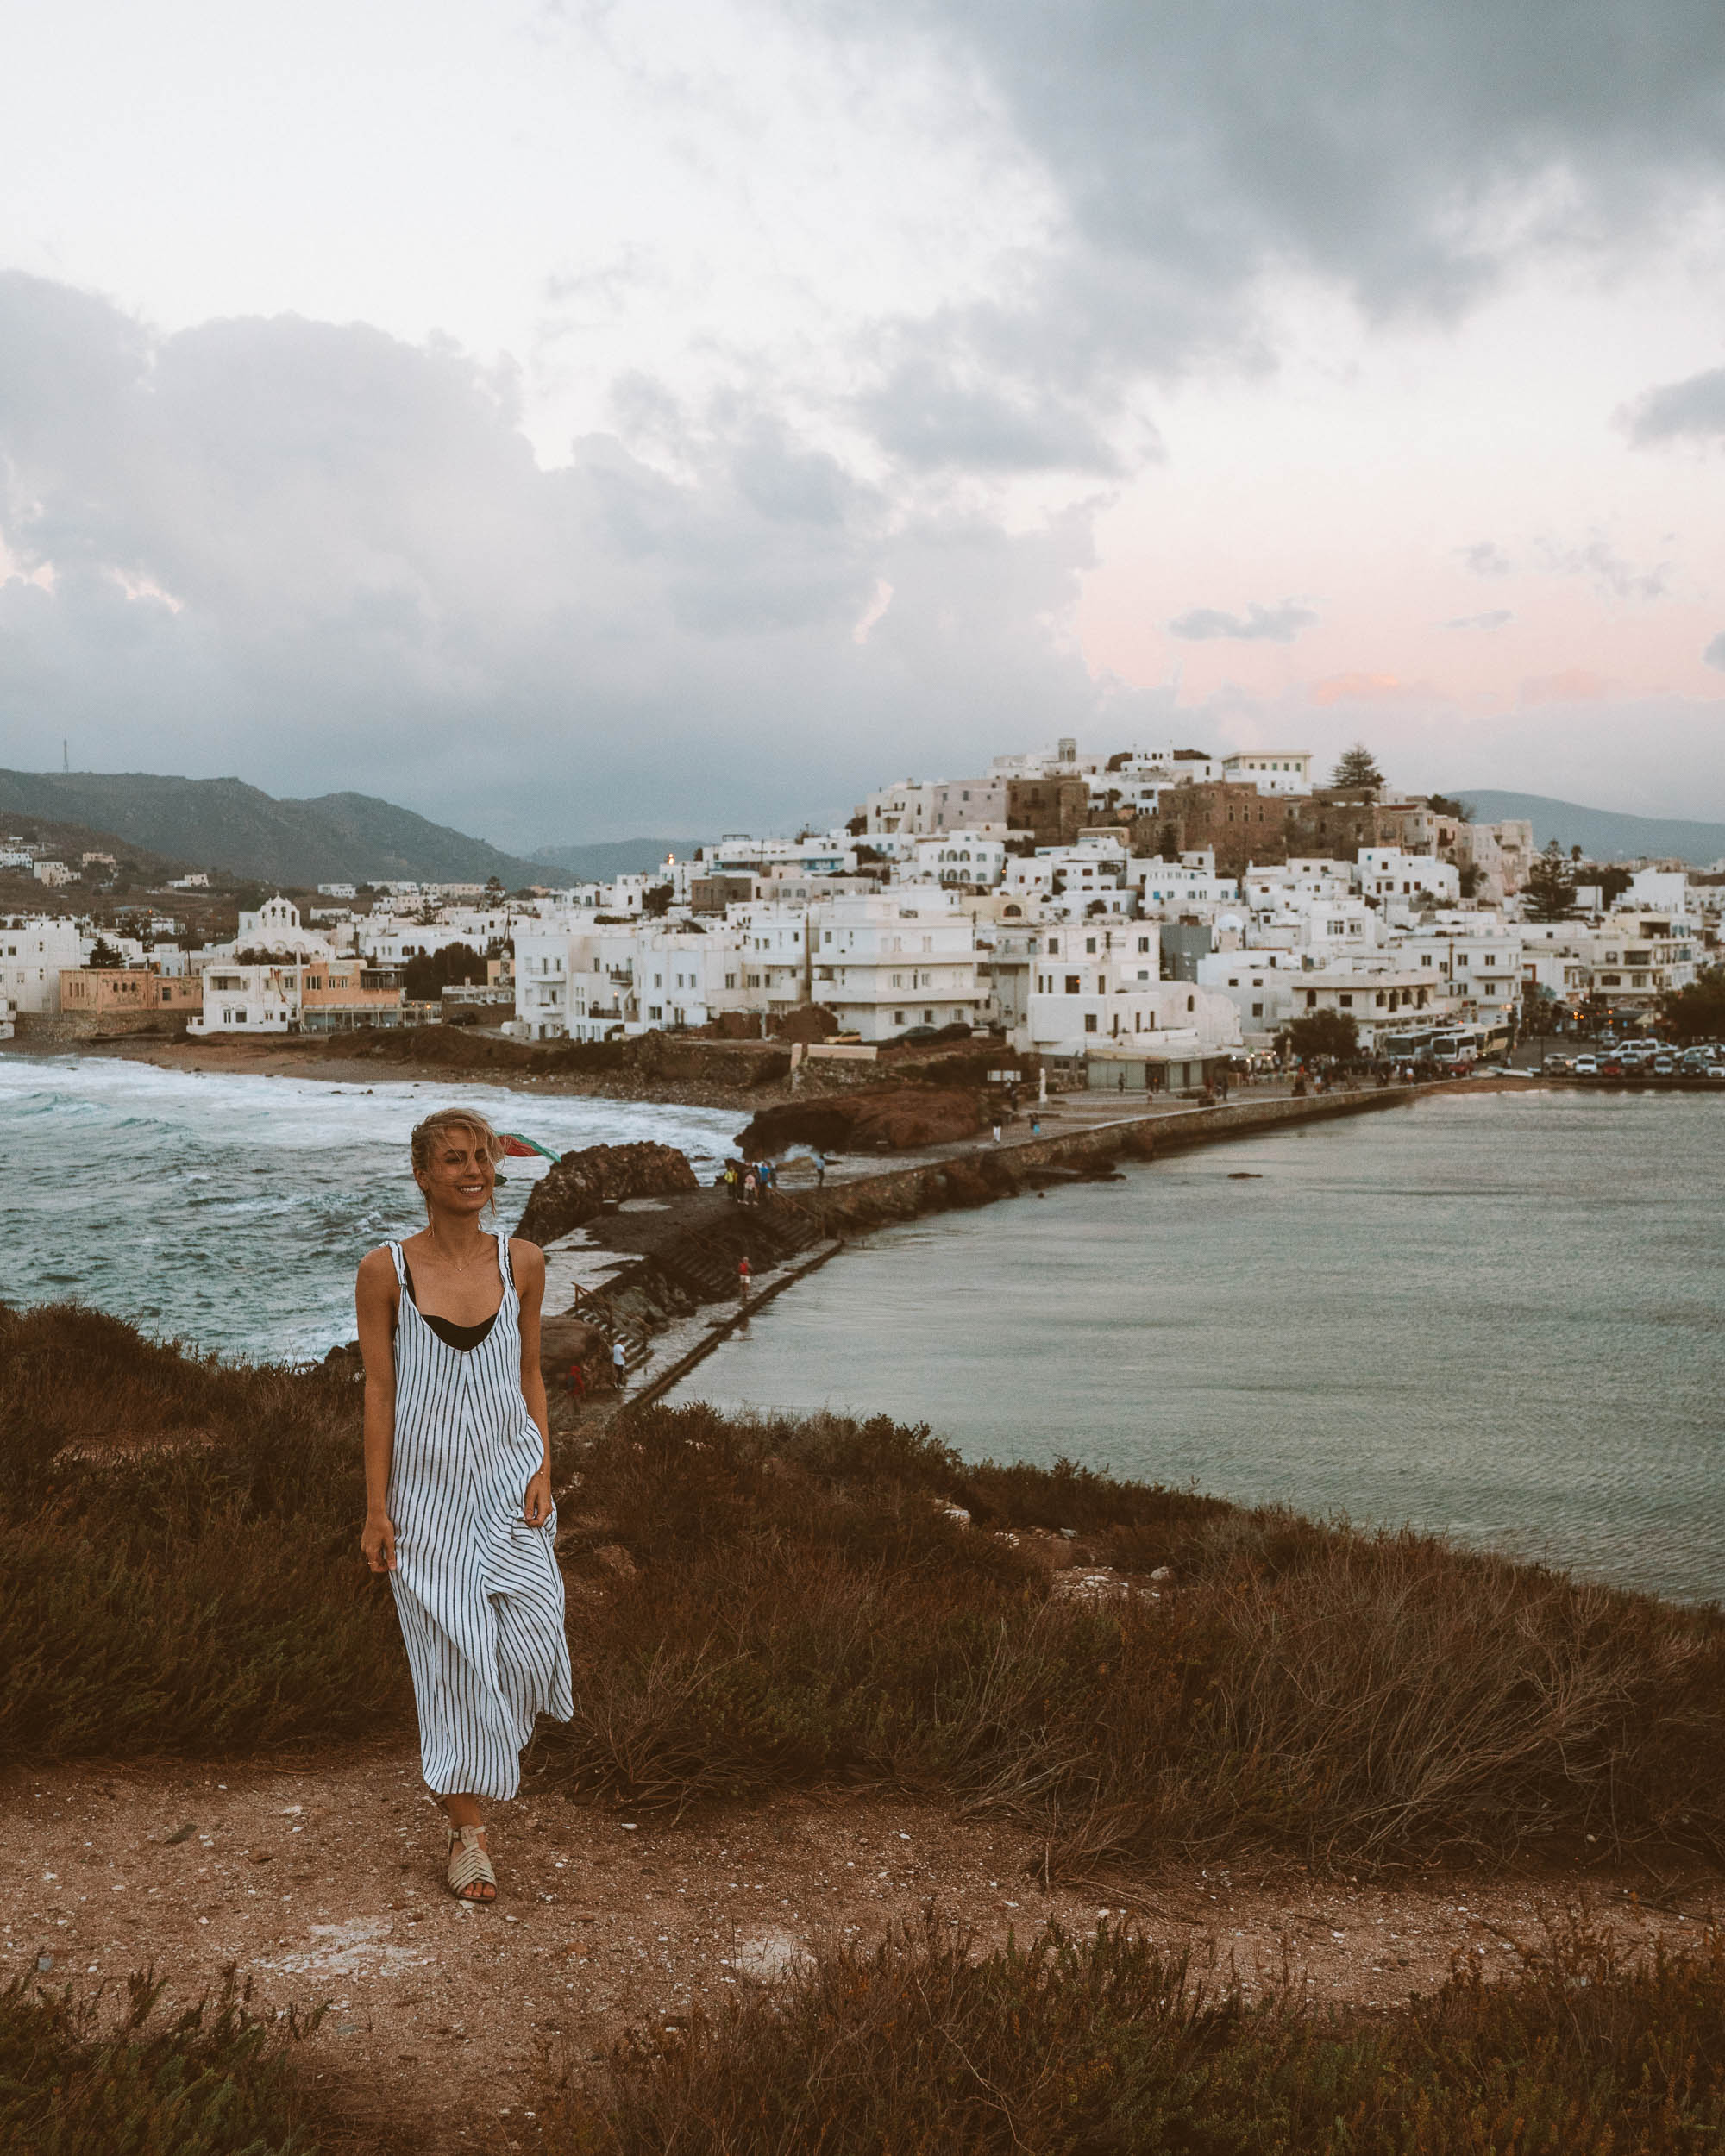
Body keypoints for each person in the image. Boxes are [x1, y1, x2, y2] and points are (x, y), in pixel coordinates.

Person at [355, 1107, 573, 1908]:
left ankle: (485, 1764)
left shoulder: (523, 1262)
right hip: (423, 1500)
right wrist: (377, 1509)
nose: (472, 1170)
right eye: (453, 1159)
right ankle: (468, 1835)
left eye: (481, 1157)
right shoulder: (386, 1271)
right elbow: (379, 1391)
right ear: (422, 1174)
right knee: (447, 1666)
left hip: (509, 1485)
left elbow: (530, 1376)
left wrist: (544, 1465)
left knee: (533, 1633)